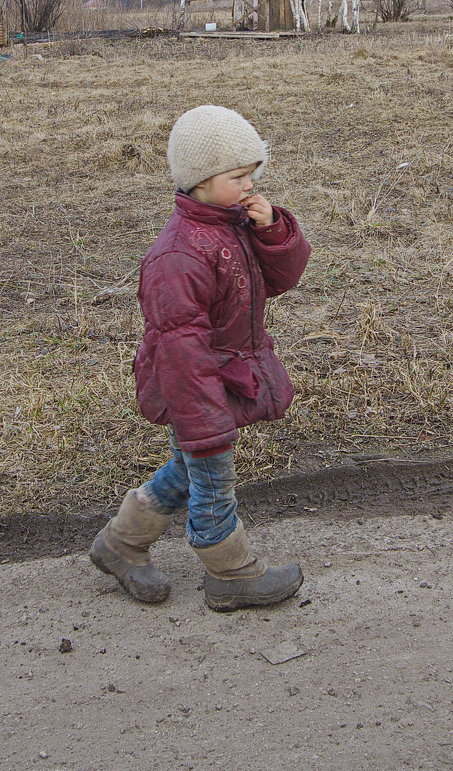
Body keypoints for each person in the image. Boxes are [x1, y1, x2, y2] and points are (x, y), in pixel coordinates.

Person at [90, 105, 311, 612]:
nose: (250, 185)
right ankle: (229, 572)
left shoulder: (232, 226)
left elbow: (279, 281)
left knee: (190, 471)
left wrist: (273, 230)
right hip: (195, 386)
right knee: (213, 477)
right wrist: (203, 416)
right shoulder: (179, 256)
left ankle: (120, 543)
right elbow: (178, 347)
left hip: (223, 375)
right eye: (238, 176)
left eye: (253, 174)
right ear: (200, 181)